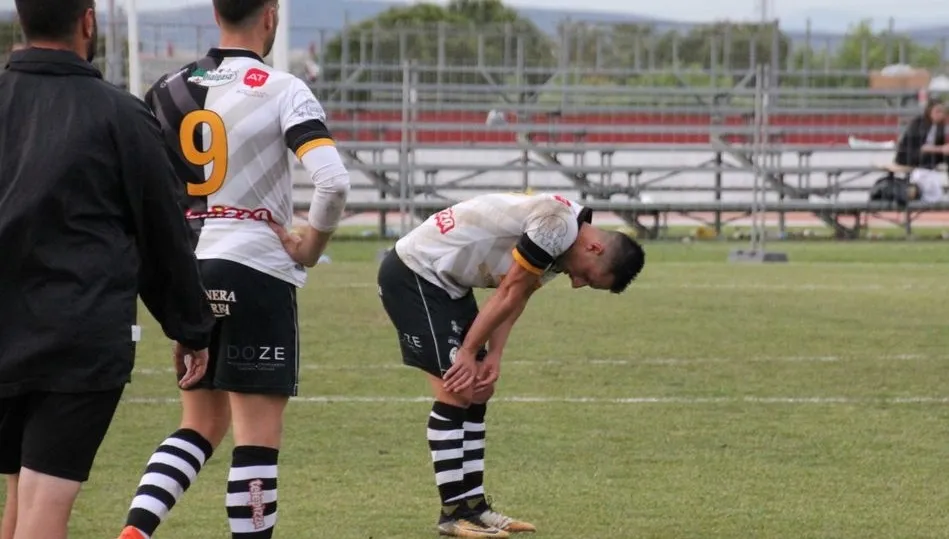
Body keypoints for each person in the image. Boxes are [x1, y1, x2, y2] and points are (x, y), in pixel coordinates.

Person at [117, 1, 350, 538]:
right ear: (270, 15)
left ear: (215, 13)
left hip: (188, 267)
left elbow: (147, 196)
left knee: (198, 425)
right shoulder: (282, 87)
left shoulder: (165, 90)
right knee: (256, 439)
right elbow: (333, 182)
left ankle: (133, 533)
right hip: (253, 265)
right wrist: (311, 246)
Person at [0, 1, 217, 538]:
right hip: (77, 341)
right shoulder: (118, 114)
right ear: (89, 20)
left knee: (20, 495)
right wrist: (190, 328)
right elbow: (162, 231)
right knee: (43, 502)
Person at [370, 192, 645, 538]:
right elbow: (511, 288)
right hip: (414, 274)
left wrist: (493, 357)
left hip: (448, 285)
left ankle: (475, 508)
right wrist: (469, 351)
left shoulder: (563, 242)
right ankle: (453, 513)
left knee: (480, 389)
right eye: (588, 278)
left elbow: (517, 295)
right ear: (595, 249)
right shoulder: (556, 226)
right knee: (458, 388)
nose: (577, 284)